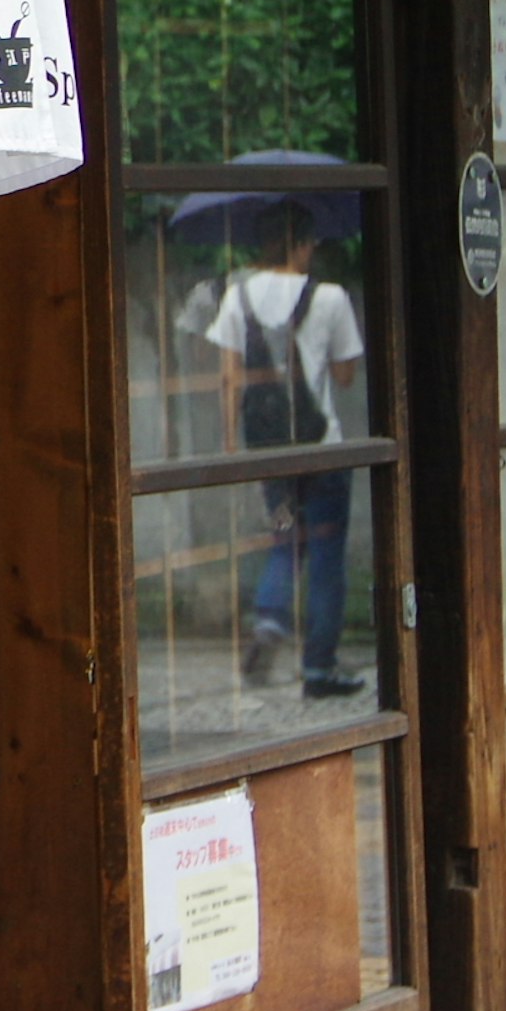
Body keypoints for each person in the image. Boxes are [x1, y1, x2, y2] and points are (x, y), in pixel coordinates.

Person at [206, 199, 367, 700]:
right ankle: (319, 669)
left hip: (269, 455)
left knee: (284, 540)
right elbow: (344, 374)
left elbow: (229, 378)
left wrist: (234, 448)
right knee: (325, 557)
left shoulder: (237, 297)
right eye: (311, 243)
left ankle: (271, 622)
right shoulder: (331, 297)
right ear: (300, 244)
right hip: (323, 452)